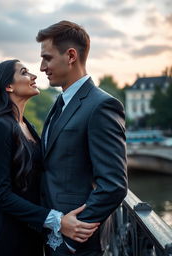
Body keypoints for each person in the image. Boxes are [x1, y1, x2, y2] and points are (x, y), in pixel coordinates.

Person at [0, 59, 100, 256]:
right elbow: (1, 195)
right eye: (24, 72)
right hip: (7, 241)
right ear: (8, 86)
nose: (33, 76)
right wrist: (57, 221)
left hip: (30, 236)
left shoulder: (25, 124)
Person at [36, 20, 128, 256]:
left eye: (47, 58)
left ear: (71, 56)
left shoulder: (102, 106)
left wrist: (72, 234)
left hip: (76, 245)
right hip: (51, 237)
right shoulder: (60, 102)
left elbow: (114, 184)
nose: (41, 67)